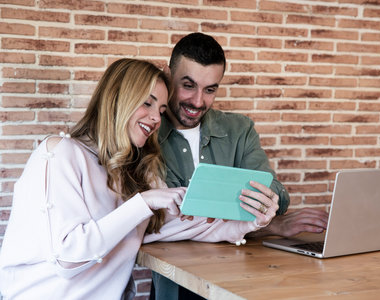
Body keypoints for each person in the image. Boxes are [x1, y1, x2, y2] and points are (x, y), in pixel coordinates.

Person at [0, 58, 278, 300]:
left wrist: (251, 219)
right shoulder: (60, 153)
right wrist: (142, 203)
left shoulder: (137, 171)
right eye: (147, 103)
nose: (156, 118)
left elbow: (182, 227)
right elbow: (68, 258)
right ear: (116, 98)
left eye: (161, 110)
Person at [151, 32, 329, 299]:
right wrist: (272, 225)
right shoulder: (147, 132)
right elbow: (163, 222)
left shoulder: (240, 129)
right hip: (178, 285)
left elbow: (277, 194)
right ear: (167, 74)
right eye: (188, 85)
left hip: (240, 278)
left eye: (210, 89)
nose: (198, 101)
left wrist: (267, 209)